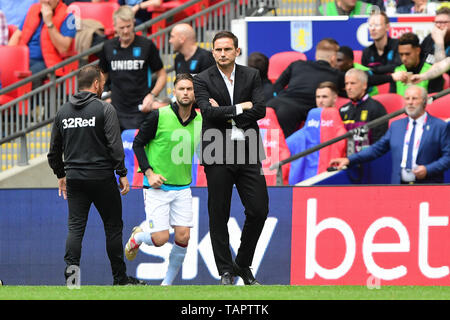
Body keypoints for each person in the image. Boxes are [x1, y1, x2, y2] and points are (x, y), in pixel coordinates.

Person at [47, 65, 145, 286]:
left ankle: (72, 282)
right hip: (102, 178)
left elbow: (53, 151)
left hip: (75, 179)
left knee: (75, 228)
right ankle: (120, 279)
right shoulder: (104, 109)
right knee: (112, 227)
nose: (103, 85)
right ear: (96, 84)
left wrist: (61, 174)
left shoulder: (63, 112)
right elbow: (115, 145)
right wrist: (122, 172)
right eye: (102, 82)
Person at [193, 31, 269, 285]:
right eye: (218, 50)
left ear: (237, 51)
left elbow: (260, 109)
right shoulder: (202, 79)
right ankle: (225, 270)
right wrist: (240, 107)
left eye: (227, 49)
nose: (223, 54)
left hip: (248, 151)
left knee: (259, 210)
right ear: (212, 52)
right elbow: (206, 112)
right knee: (218, 213)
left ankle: (242, 264)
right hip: (216, 151)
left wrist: (226, 114)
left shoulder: (252, 75)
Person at [124, 73, 202, 286]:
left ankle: (166, 285)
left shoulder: (202, 119)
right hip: (157, 187)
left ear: (195, 93)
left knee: (183, 237)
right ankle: (138, 237)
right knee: (159, 240)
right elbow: (138, 144)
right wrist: (149, 173)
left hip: (183, 187)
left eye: (190, 89)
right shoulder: (159, 116)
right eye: (181, 89)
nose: (185, 93)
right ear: (174, 92)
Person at [330, 85, 450, 184]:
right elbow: (377, 149)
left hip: (428, 186)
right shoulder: (396, 126)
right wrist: (349, 160)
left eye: (414, 99)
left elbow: (447, 157)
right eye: (407, 99)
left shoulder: (439, 126)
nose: (410, 103)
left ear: (424, 102)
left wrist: (428, 170)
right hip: (398, 186)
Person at [98, 5, 167, 131]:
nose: (125, 31)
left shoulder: (146, 45)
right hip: (116, 110)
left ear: (133, 23)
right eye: (121, 27)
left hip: (141, 109)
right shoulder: (108, 47)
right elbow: (102, 75)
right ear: (114, 27)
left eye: (128, 26)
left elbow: (162, 75)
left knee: (138, 149)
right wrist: (101, 96)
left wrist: (151, 95)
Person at [267, 38, 342, 138]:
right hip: (289, 112)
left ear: (316, 55)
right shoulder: (336, 75)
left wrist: (282, 98)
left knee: (263, 144)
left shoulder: (297, 64)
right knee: (283, 148)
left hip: (272, 104)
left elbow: (277, 86)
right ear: (333, 58)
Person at [8, 0, 76, 77]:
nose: (46, 1)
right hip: (24, 58)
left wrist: (49, 23)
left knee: (28, 76)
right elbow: (17, 35)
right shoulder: (33, 9)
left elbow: (63, 48)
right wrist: (8, 57)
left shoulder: (68, 16)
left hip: (47, 63)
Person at [340, 68, 388, 153]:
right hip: (345, 158)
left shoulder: (376, 108)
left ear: (364, 85)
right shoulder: (342, 110)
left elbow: (379, 142)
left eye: (352, 83)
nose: (348, 87)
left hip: (368, 159)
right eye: (346, 84)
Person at [361, 11, 402, 75]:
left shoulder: (398, 45)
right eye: (370, 25)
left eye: (377, 25)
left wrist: (373, 70)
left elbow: (397, 67)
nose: (373, 28)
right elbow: (364, 75)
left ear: (387, 27)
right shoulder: (366, 52)